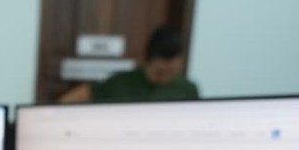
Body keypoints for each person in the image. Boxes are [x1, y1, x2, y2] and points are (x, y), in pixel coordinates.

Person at [60, 26, 199, 103]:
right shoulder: (121, 82)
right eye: (160, 71)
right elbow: (83, 94)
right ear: (148, 60)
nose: (165, 76)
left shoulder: (187, 89)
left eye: (172, 72)